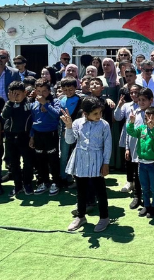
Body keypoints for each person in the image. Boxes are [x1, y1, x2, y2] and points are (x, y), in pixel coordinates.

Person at [63, 97, 113, 233]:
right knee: (81, 191)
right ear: (85, 113)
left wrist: (106, 163)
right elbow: (70, 140)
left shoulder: (104, 125)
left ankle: (104, 217)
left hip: (97, 160)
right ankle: (81, 216)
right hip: (81, 160)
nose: (99, 116)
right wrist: (68, 126)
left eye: (100, 113)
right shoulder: (77, 123)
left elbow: (108, 145)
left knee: (100, 191)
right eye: (95, 113)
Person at [127, 106, 154, 219]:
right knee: (144, 186)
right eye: (146, 118)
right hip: (141, 164)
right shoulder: (141, 128)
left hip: (153, 164)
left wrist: (152, 128)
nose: (148, 120)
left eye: (151, 118)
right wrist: (131, 122)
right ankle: (146, 205)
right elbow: (131, 132)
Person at [29, 78, 62, 196]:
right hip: (38, 135)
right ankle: (44, 182)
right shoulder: (34, 104)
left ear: (49, 91)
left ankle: (56, 182)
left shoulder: (55, 101)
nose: (41, 94)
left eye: (44, 91)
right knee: (40, 160)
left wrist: (46, 105)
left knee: (53, 159)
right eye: (38, 91)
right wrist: (32, 137)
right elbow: (33, 121)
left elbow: (57, 115)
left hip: (51, 134)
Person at [2, 81, 34, 196]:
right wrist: (10, 102)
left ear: (25, 93)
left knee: (28, 162)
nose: (15, 96)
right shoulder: (9, 104)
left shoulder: (30, 104)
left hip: (25, 137)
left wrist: (32, 137)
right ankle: (17, 186)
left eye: (18, 94)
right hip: (11, 137)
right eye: (12, 94)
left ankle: (27, 184)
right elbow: (4, 115)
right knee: (14, 163)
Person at [125, 87, 154, 210]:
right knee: (137, 174)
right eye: (140, 99)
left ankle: (149, 198)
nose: (141, 102)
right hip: (135, 149)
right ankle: (137, 196)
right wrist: (127, 148)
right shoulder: (134, 113)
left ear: (151, 100)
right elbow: (128, 131)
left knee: (149, 175)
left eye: (144, 100)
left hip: (148, 151)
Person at [58, 77, 84, 188]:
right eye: (65, 89)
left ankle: (76, 177)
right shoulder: (61, 99)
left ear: (76, 88)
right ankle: (64, 177)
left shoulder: (81, 100)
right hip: (64, 131)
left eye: (70, 89)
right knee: (63, 155)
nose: (68, 92)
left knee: (75, 155)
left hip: (77, 132)